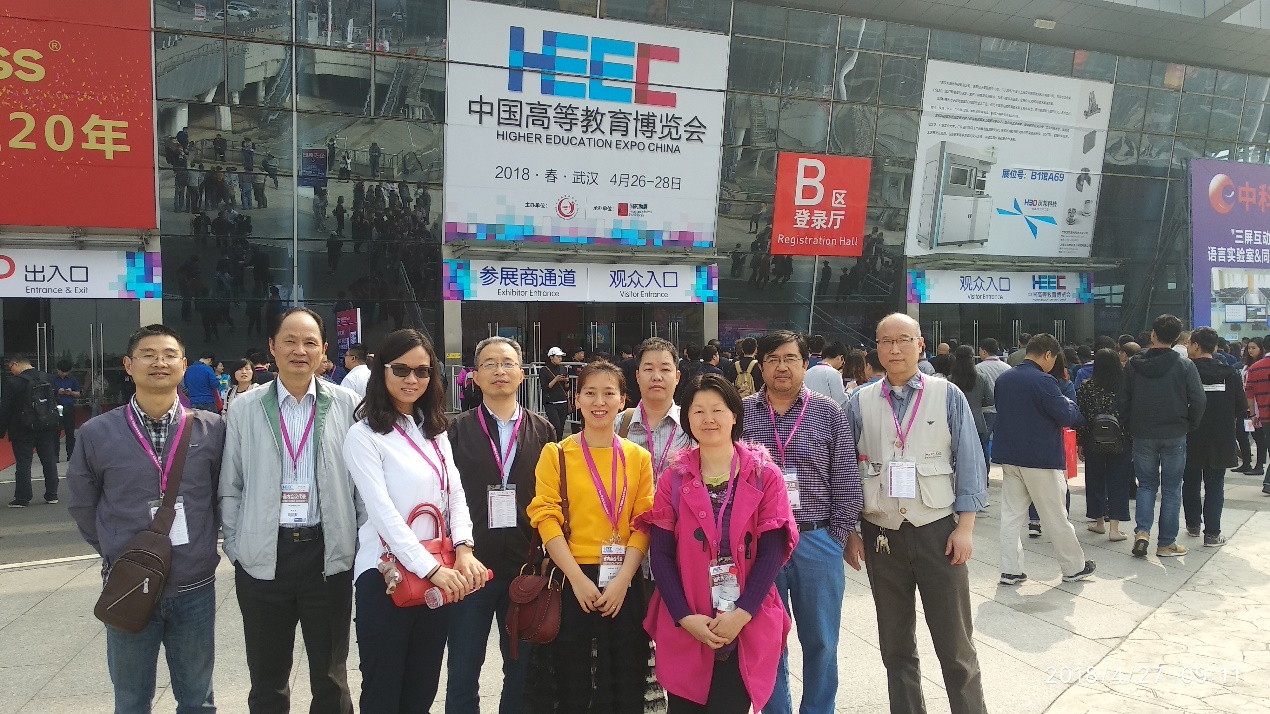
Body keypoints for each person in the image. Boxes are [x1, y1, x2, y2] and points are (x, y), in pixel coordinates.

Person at [66, 324, 226, 713]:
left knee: (198, 699)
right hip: (128, 584)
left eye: (170, 355)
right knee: (131, 700)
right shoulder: (96, 433)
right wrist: (116, 549)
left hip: (194, 586)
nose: (160, 362)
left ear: (184, 365)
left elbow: (222, 497)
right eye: (148, 355)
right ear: (128, 365)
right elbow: (83, 505)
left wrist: (203, 545)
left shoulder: (212, 429)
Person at [220, 307, 363, 714]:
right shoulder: (245, 407)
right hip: (264, 559)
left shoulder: (349, 405)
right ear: (272, 347)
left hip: (327, 557)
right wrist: (237, 549)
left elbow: (361, 488)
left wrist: (356, 547)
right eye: (290, 341)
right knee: (267, 680)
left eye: (310, 342)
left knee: (331, 679)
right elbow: (231, 485)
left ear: (324, 350)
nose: (300, 350)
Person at [844, 313, 988, 714]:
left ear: (920, 345)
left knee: (955, 643)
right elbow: (845, 468)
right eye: (886, 341)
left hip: (937, 531)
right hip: (881, 533)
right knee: (895, 645)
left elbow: (970, 461)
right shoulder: (860, 401)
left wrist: (965, 527)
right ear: (876, 348)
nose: (895, 349)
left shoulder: (947, 394)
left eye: (903, 340)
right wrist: (851, 531)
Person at [342, 329, 485, 712]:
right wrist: (431, 569)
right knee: (383, 693)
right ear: (381, 371)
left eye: (422, 371)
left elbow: (455, 493)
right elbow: (383, 514)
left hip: (438, 575)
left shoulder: (434, 431)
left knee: (421, 691)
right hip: (386, 577)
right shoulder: (364, 436)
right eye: (401, 369)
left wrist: (464, 548)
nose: (412, 379)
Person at [640, 373, 798, 713]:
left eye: (717, 410)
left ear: (734, 415)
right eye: (698, 411)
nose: (708, 419)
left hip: (745, 619)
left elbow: (771, 553)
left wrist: (742, 614)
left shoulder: (764, 475)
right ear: (687, 418)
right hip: (687, 618)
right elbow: (661, 555)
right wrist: (685, 617)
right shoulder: (673, 478)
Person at [525, 360, 660, 712]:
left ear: (622, 400)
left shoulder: (638, 457)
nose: (599, 402)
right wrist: (575, 578)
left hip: (624, 580)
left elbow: (643, 522)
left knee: (625, 680)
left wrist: (623, 580)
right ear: (577, 400)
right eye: (590, 393)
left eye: (608, 393)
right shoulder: (556, 454)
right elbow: (546, 519)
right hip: (571, 578)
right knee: (572, 682)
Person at [741, 331, 861, 714]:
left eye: (790, 358)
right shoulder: (741, 412)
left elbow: (846, 479)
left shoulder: (828, 412)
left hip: (816, 539)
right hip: (761, 544)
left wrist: (836, 538)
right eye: (773, 359)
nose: (782, 366)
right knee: (767, 639)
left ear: (806, 364)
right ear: (761, 366)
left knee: (822, 640)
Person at [445, 336, 556, 714]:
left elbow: (554, 499)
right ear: (475, 376)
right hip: (470, 571)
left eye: (508, 363)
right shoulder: (455, 431)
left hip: (525, 571)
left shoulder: (544, 431)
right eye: (489, 364)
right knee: (463, 671)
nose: (499, 371)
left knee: (522, 671)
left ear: (522, 374)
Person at [992, 334, 1096, 585]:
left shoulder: (1005, 378)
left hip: (1010, 455)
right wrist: (1070, 404)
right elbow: (1066, 415)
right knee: (1055, 515)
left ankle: (1010, 570)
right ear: (1048, 354)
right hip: (1040, 457)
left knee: (1011, 516)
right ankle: (1073, 567)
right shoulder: (1044, 380)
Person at [1118, 314, 1206, 558]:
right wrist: (1190, 424)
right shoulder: (1185, 365)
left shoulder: (1134, 365)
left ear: (1153, 334)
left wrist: (1129, 425)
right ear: (1177, 338)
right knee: (1171, 488)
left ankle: (1142, 533)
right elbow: (1199, 399)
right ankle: (1166, 543)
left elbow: (1123, 400)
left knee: (1146, 485)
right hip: (1174, 432)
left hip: (1143, 433)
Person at [1183, 328, 1244, 548]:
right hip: (1221, 436)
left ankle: (1192, 525)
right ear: (1215, 346)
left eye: (1189, 343)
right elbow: (1241, 406)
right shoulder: (1230, 372)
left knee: (1190, 480)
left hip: (1191, 434)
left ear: (1196, 346)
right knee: (1215, 484)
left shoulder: (1186, 371)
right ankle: (1212, 534)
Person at [1075, 349, 1132, 542]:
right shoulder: (1126, 386)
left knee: (1095, 480)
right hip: (1121, 439)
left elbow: (1081, 416)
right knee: (1119, 481)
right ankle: (1114, 529)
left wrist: (1080, 442)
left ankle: (1099, 522)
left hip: (1094, 440)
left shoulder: (1086, 387)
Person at [2, 354, 61, 507]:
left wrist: (2, 430)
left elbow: (5, 409)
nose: (11, 371)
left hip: (22, 428)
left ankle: (23, 497)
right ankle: (52, 494)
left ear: (16, 364)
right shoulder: (48, 378)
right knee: (49, 461)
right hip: (47, 426)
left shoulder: (13, 383)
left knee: (23, 463)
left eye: (11, 368)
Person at [949, 345, 994, 469]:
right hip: (977, 421)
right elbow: (990, 400)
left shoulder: (950, 380)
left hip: (956, 423)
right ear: (972, 358)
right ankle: (983, 476)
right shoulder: (981, 378)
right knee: (982, 452)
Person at [976, 338, 1010, 460]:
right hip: (1004, 410)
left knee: (983, 442)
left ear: (984, 352)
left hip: (986, 411)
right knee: (1005, 441)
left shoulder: (978, 368)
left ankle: (985, 469)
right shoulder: (1007, 368)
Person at [1236, 338, 1266, 475]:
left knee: (1258, 436)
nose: (1250, 350)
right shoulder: (1246, 366)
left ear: (1261, 349)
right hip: (1244, 405)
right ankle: (1246, 462)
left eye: (1254, 348)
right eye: (1249, 348)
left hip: (1256, 406)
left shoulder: (1261, 366)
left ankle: (1259, 465)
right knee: (1241, 433)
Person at [802, 340, 849, 410]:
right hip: (826, 414)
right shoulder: (834, 374)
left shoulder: (807, 372)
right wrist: (850, 390)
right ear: (840, 358)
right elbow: (841, 404)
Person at [54, 360, 82, 460]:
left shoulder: (72, 379)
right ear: (58, 370)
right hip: (55, 407)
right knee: (55, 432)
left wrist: (71, 393)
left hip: (69, 407)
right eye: (62, 372)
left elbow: (78, 394)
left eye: (66, 372)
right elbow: (48, 393)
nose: (64, 374)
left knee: (70, 433)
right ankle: (55, 456)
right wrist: (57, 392)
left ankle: (71, 455)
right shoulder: (52, 379)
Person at [541, 347, 570, 440]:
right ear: (551, 357)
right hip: (551, 402)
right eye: (558, 357)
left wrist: (566, 381)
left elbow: (566, 388)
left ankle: (559, 443)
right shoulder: (544, 370)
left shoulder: (563, 368)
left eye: (561, 357)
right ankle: (553, 442)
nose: (560, 359)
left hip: (563, 401)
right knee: (555, 425)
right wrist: (556, 379)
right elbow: (545, 387)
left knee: (561, 426)